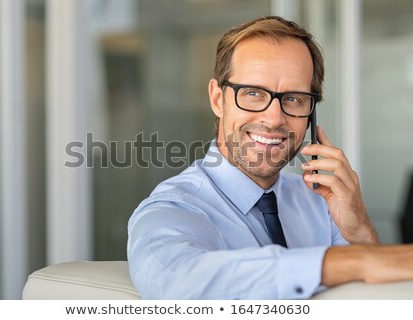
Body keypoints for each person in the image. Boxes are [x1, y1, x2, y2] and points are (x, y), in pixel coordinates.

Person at [127, 16, 413, 299]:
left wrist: (360, 233)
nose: (275, 118)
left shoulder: (321, 202)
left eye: (293, 98)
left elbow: (370, 302)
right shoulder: (172, 207)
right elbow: (177, 282)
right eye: (252, 93)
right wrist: (352, 261)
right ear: (217, 99)